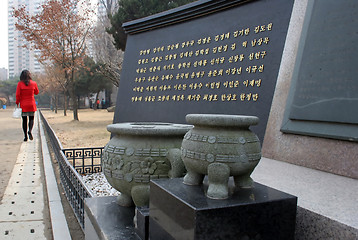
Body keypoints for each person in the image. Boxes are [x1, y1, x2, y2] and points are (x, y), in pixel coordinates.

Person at [16, 70, 39, 141]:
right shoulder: (33, 83)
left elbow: (18, 95)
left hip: (23, 105)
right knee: (31, 119)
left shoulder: (20, 84)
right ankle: (30, 131)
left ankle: (25, 136)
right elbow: (37, 92)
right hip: (31, 104)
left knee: (24, 120)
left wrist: (17, 102)